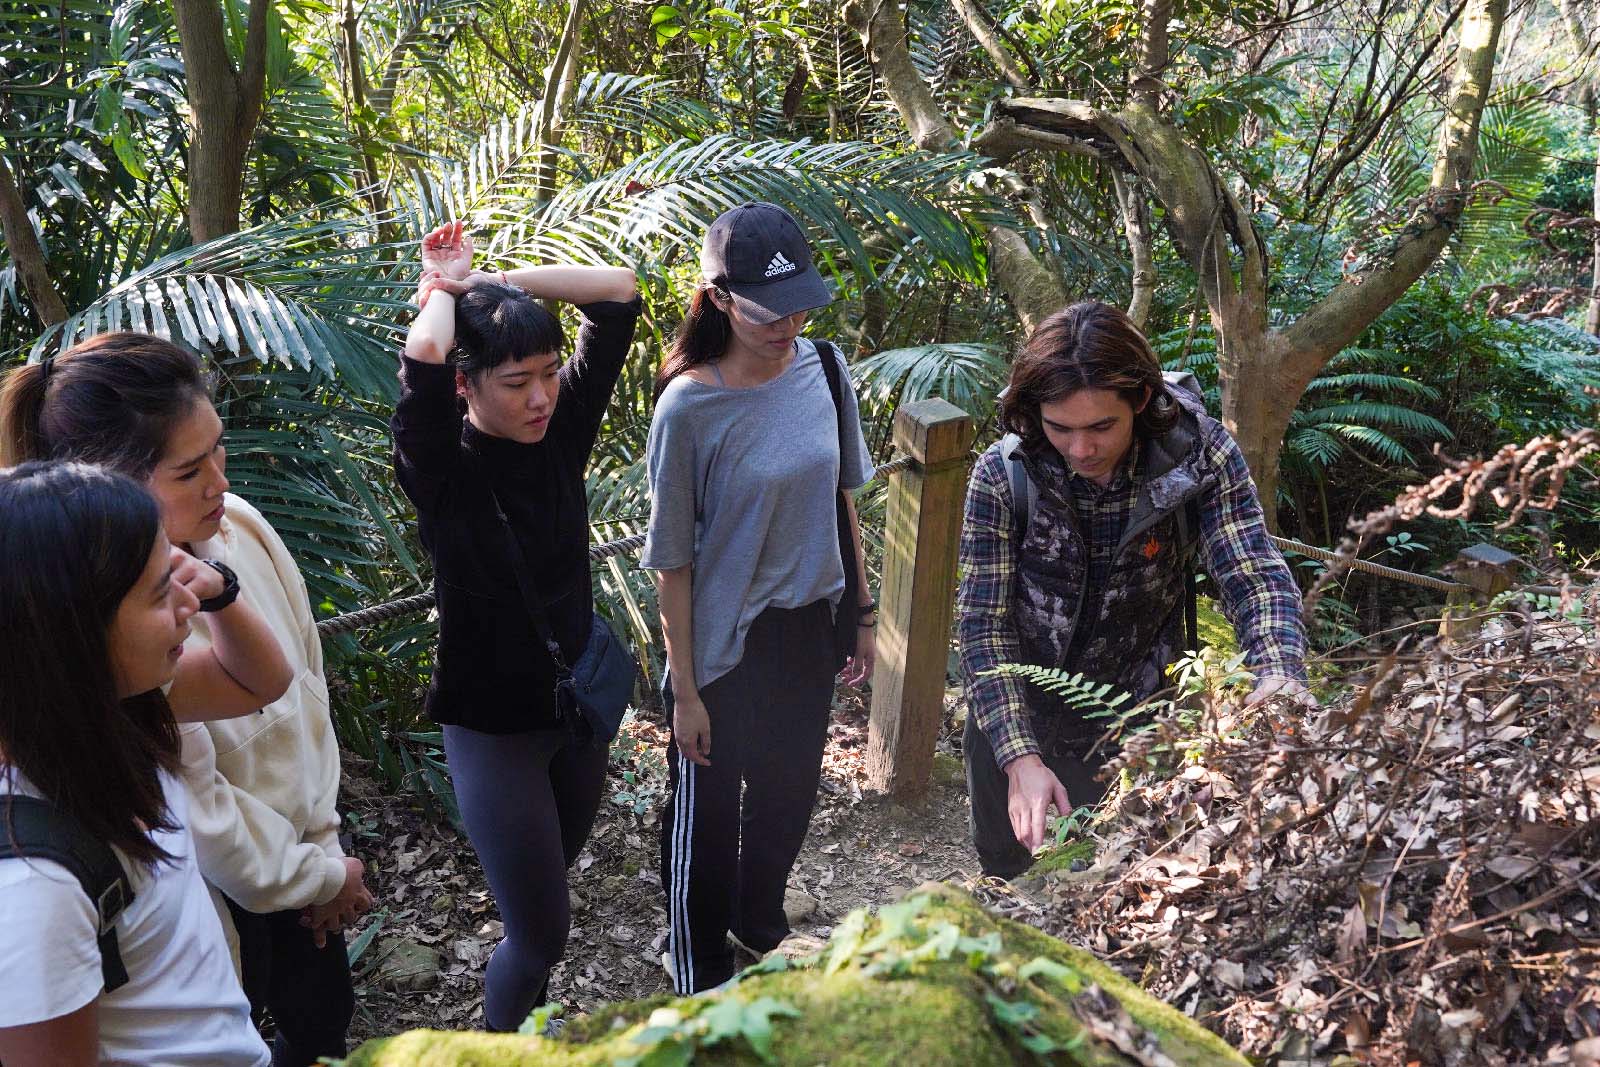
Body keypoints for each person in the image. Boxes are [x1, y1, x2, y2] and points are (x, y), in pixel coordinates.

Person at [0, 334, 371, 1066]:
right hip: (255, 893)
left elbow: (279, 684)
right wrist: (317, 876)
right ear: (78, 613)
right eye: (154, 587)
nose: (217, 483)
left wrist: (220, 584)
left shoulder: (130, 691)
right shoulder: (38, 877)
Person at [957, 301, 1312, 879]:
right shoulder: (1004, 474)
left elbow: (1252, 572)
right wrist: (1019, 756)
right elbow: (982, 624)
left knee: (1117, 878)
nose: (1081, 449)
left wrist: (1279, 676)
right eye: (1060, 428)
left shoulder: (1199, 456)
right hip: (1015, 711)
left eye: (1102, 426)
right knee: (1009, 873)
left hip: (1137, 716)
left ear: (1141, 401)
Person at [393, 220, 640, 1030]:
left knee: (546, 906)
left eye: (545, 374)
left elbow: (619, 291)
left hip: (577, 713)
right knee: (540, 931)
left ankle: (527, 1029)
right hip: (493, 728)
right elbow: (427, 359)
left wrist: (502, 282)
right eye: (514, 381)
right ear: (469, 388)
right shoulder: (444, 472)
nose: (539, 396)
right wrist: (442, 292)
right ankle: (501, 1047)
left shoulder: (560, 428)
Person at [642, 201, 878, 995]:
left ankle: (758, 916)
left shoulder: (825, 368)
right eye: (765, 308)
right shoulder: (688, 407)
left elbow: (841, 494)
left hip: (807, 625)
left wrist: (865, 611)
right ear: (716, 298)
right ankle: (698, 963)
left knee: (788, 792)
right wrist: (684, 691)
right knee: (706, 823)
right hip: (720, 642)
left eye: (799, 302)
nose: (787, 323)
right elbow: (670, 559)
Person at [0, 460, 270, 1067]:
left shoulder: (116, 708)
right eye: (158, 591)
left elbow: (259, 682)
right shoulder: (32, 888)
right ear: (67, 630)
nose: (186, 602)